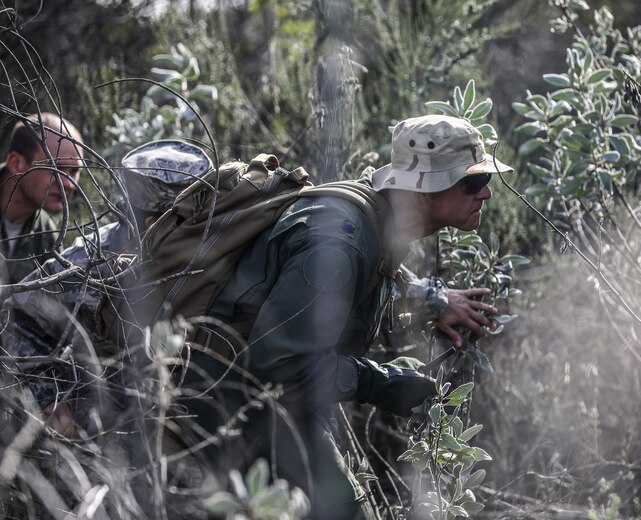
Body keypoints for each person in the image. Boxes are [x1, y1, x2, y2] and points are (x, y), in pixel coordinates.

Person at [177, 114, 513, 519]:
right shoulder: (340, 243)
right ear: (423, 190)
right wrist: (383, 382)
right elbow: (281, 362)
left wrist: (436, 303)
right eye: (473, 184)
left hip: (260, 401)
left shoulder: (374, 218)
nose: (486, 195)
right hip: (228, 406)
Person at [1, 139, 213, 437]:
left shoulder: (223, 252)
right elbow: (14, 317)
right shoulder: (90, 261)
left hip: (205, 418)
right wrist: (50, 395)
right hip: (113, 427)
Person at [0, 112, 83, 284]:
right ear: (16, 163)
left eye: (74, 171)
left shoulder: (47, 237)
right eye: (56, 168)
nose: (68, 184)